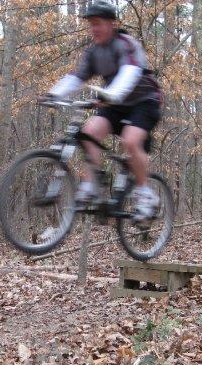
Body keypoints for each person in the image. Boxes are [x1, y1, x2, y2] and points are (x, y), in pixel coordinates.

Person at [44, 1, 162, 220]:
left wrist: (111, 94)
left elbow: (130, 72)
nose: (94, 29)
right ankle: (90, 186)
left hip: (145, 101)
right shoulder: (93, 52)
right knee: (89, 131)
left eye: (98, 23)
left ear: (111, 24)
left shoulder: (125, 43)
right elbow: (77, 77)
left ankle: (146, 194)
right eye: (91, 24)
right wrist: (54, 94)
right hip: (115, 104)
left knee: (130, 141)